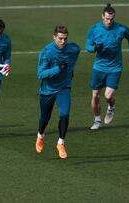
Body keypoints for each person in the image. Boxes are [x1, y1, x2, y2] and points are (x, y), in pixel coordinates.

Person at [85, 3, 129, 130]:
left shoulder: (121, 29)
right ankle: (97, 120)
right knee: (95, 95)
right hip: (99, 67)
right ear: (102, 16)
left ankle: (111, 107)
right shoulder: (94, 29)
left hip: (115, 67)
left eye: (111, 19)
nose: (109, 21)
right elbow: (88, 46)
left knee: (108, 96)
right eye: (107, 18)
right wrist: (94, 48)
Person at [35, 25, 80, 159]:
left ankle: (61, 142)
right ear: (54, 37)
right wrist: (57, 69)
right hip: (47, 89)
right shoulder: (46, 52)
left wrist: (70, 70)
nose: (63, 42)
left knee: (65, 113)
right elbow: (40, 74)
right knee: (45, 118)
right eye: (60, 39)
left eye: (65, 39)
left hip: (63, 88)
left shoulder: (73, 49)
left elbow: (75, 54)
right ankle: (40, 136)